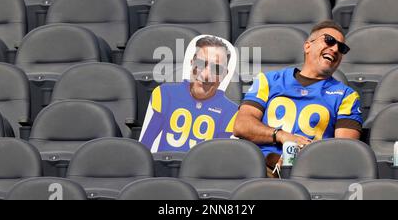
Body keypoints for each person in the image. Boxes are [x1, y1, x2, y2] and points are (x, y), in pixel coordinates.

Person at [233, 20, 362, 176]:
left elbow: (344, 151)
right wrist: (282, 136)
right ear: (307, 46)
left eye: (342, 48)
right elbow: (241, 125)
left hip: (308, 172)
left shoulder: (346, 96)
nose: (335, 49)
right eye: (329, 40)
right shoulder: (268, 81)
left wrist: (302, 159)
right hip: (259, 167)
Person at [139, 36, 238, 152]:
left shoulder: (231, 112)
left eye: (216, 69)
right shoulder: (165, 94)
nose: (206, 75)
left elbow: (217, 159)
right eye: (201, 64)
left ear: (225, 74)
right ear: (192, 63)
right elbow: (144, 148)